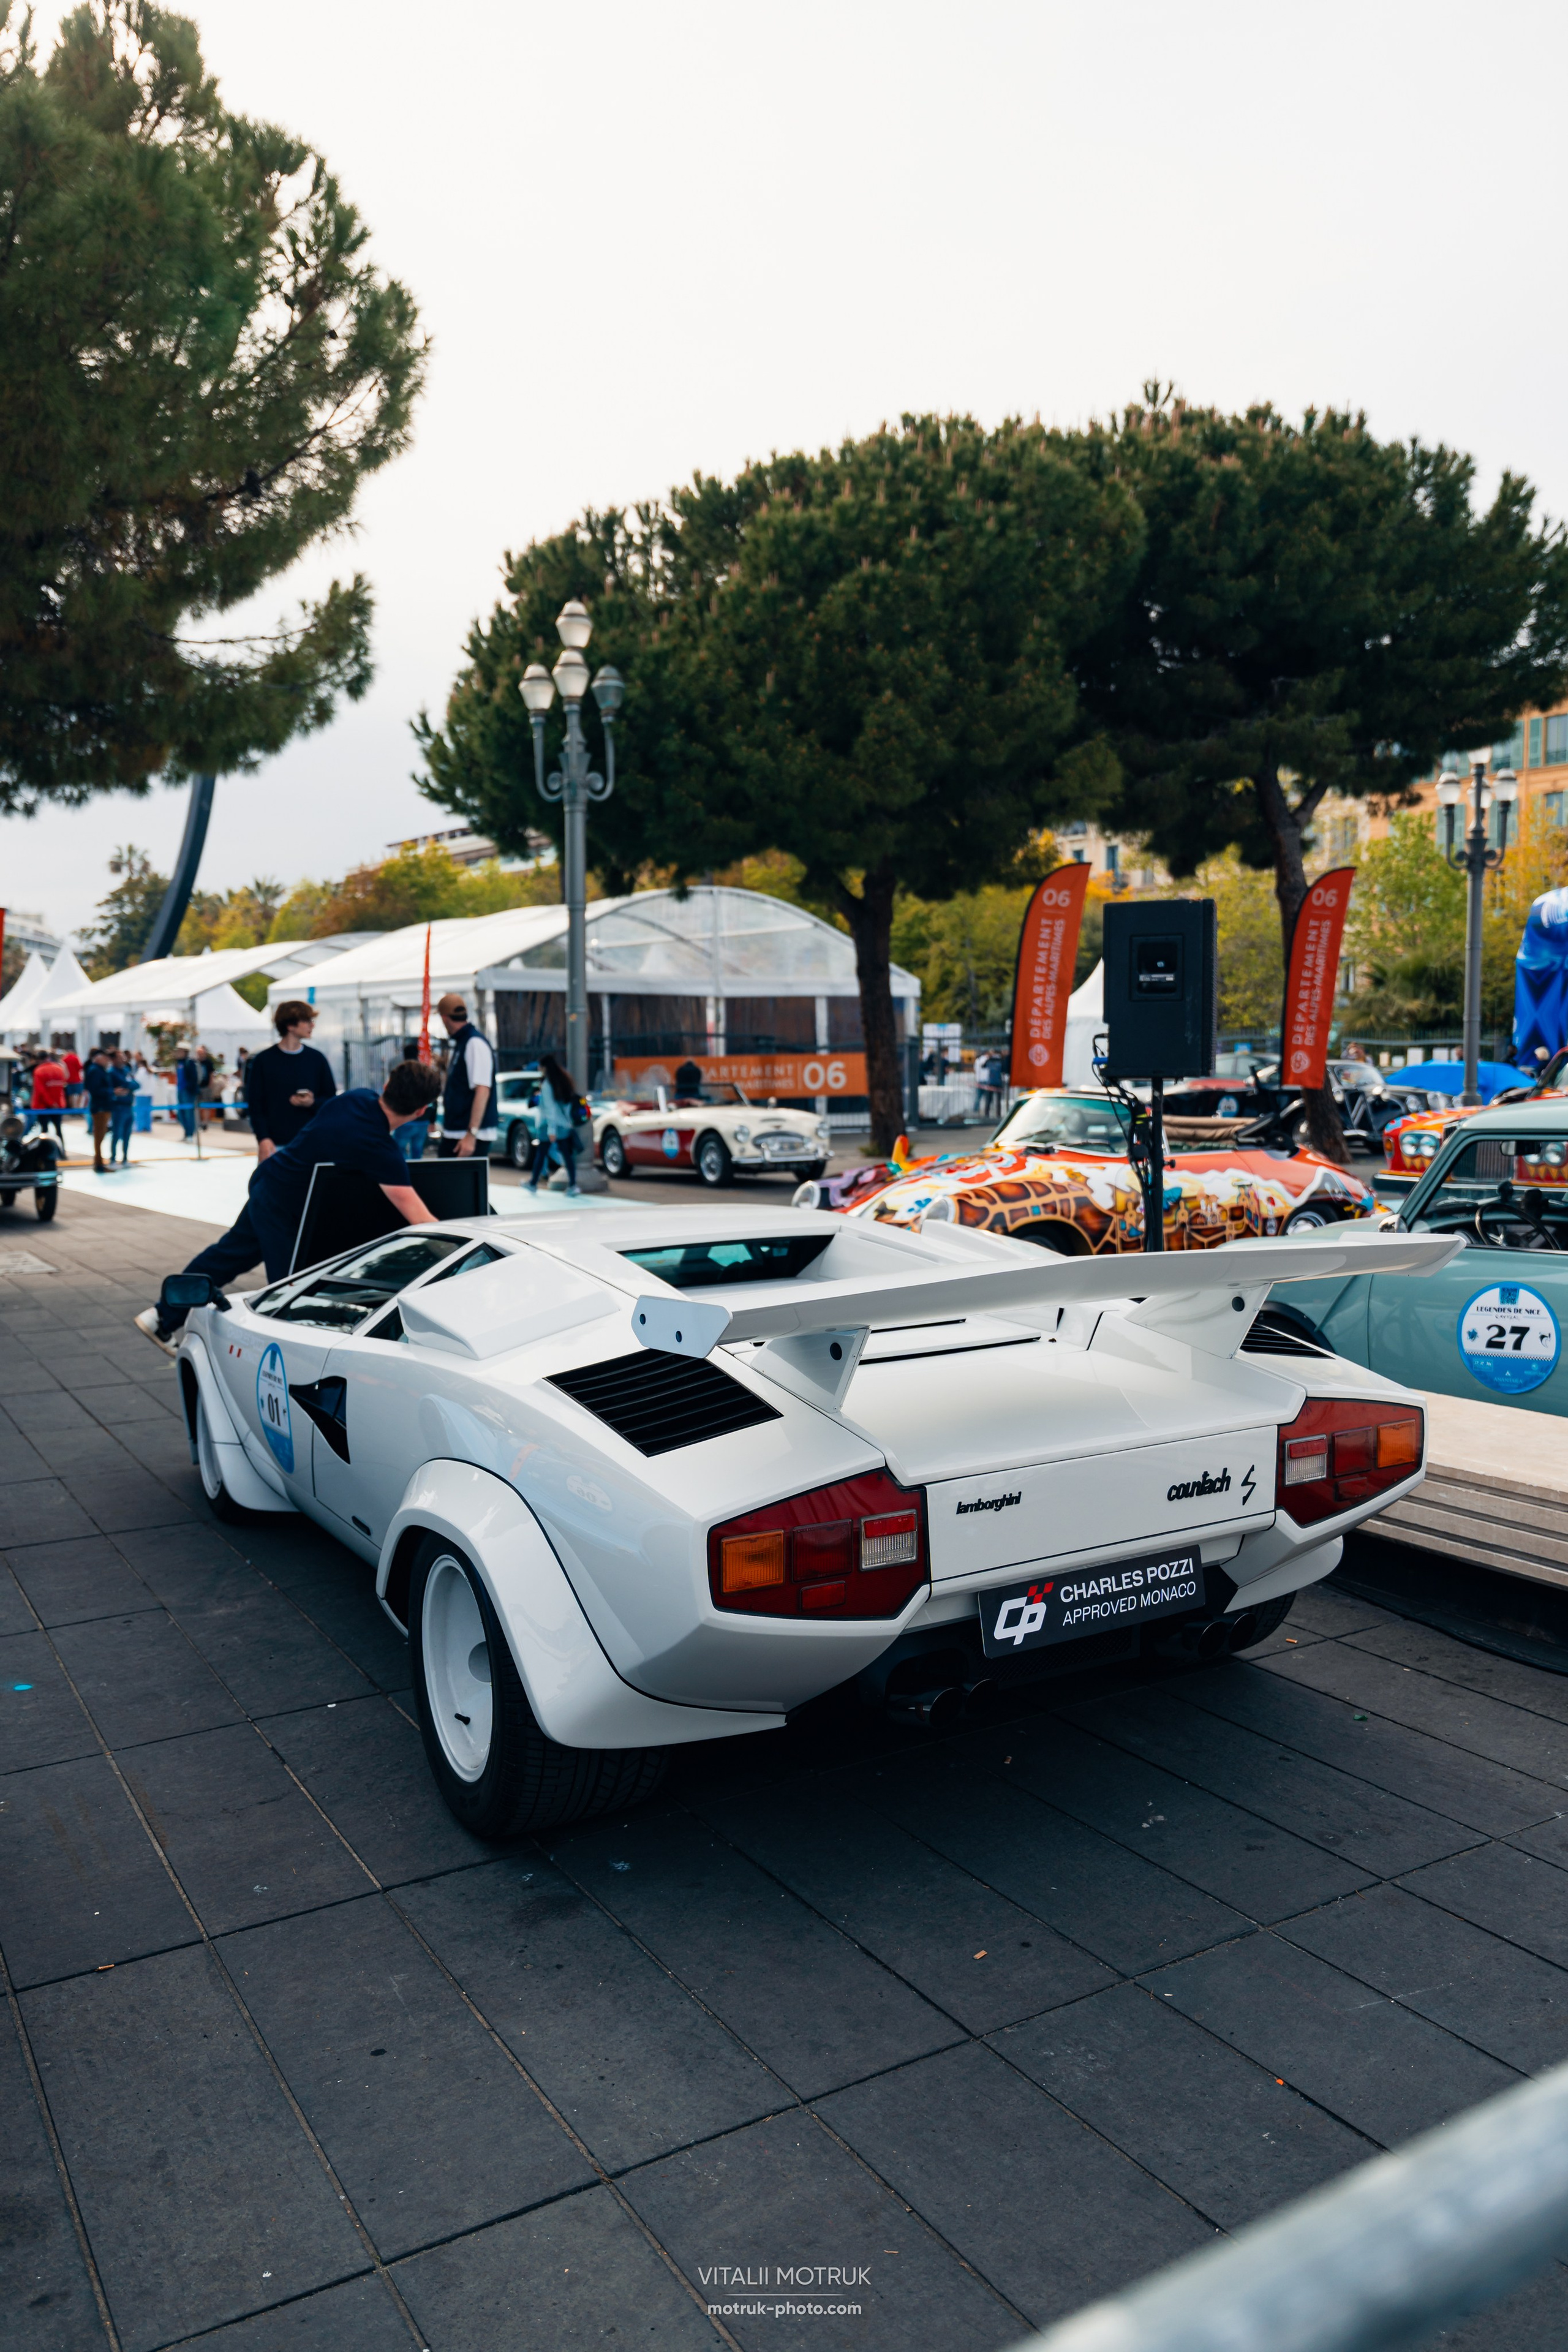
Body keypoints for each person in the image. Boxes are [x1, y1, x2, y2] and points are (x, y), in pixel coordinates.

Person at [135, 1060, 445, 1351]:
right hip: (283, 1207)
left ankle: (161, 1318)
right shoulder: (380, 1150)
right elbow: (420, 1219)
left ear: (387, 1084)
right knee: (290, 1290)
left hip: (271, 1183)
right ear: (421, 1111)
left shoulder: (356, 1098)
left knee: (229, 1256)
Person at [245, 1001, 337, 1160]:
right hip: (275, 1145)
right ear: (290, 1026)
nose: (312, 1025)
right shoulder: (264, 1061)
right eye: (307, 1021)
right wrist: (263, 1139)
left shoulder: (317, 1059)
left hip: (311, 1143)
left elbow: (331, 1101)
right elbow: (255, 1104)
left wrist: (312, 1103)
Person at [435, 992, 496, 1159]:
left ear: (444, 1018)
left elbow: (483, 1090)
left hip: (467, 1135)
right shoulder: (464, 1042)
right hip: (459, 1132)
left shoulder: (474, 1042)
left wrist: (471, 1134)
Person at [528, 1054, 581, 1195]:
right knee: (567, 1155)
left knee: (541, 1154)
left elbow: (550, 1109)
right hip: (563, 1125)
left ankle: (533, 1183)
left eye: (540, 1066)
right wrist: (568, 1123)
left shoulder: (547, 1085)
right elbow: (567, 1105)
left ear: (545, 1067)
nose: (539, 1068)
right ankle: (573, 1185)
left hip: (549, 1125)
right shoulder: (563, 1080)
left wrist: (552, 1130)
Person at [83, 1047, 115, 1172]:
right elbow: (95, 1090)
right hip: (100, 1107)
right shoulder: (95, 1070)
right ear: (98, 1058)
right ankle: (99, 1164)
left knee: (100, 1136)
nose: (107, 1060)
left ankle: (99, 1163)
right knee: (99, 1136)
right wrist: (112, 1092)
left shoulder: (98, 1070)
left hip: (102, 1106)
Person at [29, 1050, 66, 1139]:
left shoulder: (39, 1071)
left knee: (44, 1130)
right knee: (58, 1129)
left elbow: (41, 1090)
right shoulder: (59, 1069)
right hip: (58, 1104)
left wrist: (51, 1103)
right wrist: (55, 1103)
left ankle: (45, 1148)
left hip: (43, 1105)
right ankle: (61, 1147)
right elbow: (63, 1085)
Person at [174, 1047, 200, 1140]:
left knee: (189, 1113)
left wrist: (190, 1088)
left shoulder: (190, 1063)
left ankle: (190, 1134)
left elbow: (194, 1077)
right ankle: (186, 1132)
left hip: (188, 1092)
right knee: (181, 1114)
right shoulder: (179, 1063)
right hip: (180, 1090)